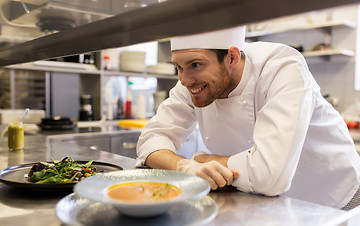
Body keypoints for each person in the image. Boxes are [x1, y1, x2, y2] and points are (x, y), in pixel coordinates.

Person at [136, 26, 360, 210]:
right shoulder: (192, 82)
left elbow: (269, 176)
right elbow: (151, 139)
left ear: (232, 57)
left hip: (335, 200)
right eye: (178, 67)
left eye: (196, 65)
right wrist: (184, 166)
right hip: (271, 203)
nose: (184, 80)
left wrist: (206, 161)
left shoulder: (282, 68)